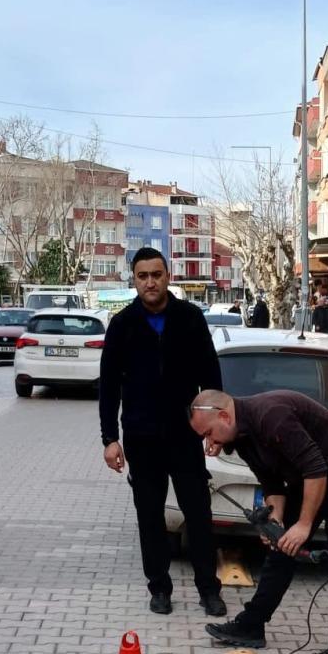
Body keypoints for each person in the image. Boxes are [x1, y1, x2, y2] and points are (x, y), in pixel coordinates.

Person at [190, 388, 328, 654]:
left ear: (224, 416)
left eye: (209, 433)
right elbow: (271, 482)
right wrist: (277, 522)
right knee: (280, 549)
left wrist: (304, 525)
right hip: (306, 476)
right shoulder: (242, 437)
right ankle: (252, 625)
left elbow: (316, 469)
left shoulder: (271, 416)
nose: (210, 443)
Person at [100, 247, 226, 617]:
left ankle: (209, 589)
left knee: (198, 514)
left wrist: (214, 428)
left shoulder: (190, 318)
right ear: (134, 280)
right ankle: (159, 588)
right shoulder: (122, 325)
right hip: (141, 438)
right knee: (150, 517)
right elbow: (108, 386)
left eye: (157, 274)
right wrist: (110, 439)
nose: (150, 282)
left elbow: (211, 376)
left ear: (168, 276)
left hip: (185, 436)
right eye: (143, 276)